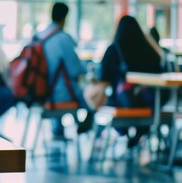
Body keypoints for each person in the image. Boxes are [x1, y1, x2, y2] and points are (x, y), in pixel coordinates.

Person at [99, 15, 163, 148]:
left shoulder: (113, 49)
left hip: (125, 104)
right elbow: (159, 71)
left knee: (106, 102)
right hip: (150, 104)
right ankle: (141, 130)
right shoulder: (147, 49)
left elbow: (103, 79)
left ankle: (124, 132)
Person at [33, 2, 91, 138]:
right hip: (57, 96)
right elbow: (75, 70)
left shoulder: (39, 37)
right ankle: (84, 126)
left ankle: (58, 131)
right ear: (65, 18)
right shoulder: (63, 38)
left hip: (38, 93)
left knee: (60, 83)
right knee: (89, 99)